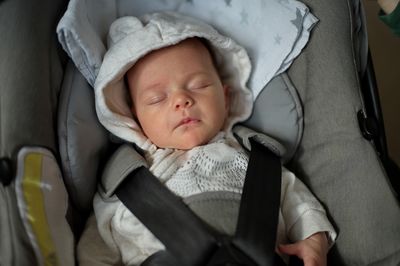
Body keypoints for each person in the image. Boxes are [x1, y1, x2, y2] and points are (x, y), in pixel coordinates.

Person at [79, 11, 336, 266]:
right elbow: (98, 243)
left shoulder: (255, 158)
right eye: (157, 98)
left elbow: (298, 203)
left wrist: (314, 241)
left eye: (199, 85)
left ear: (226, 97)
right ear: (133, 117)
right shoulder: (128, 178)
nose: (182, 100)